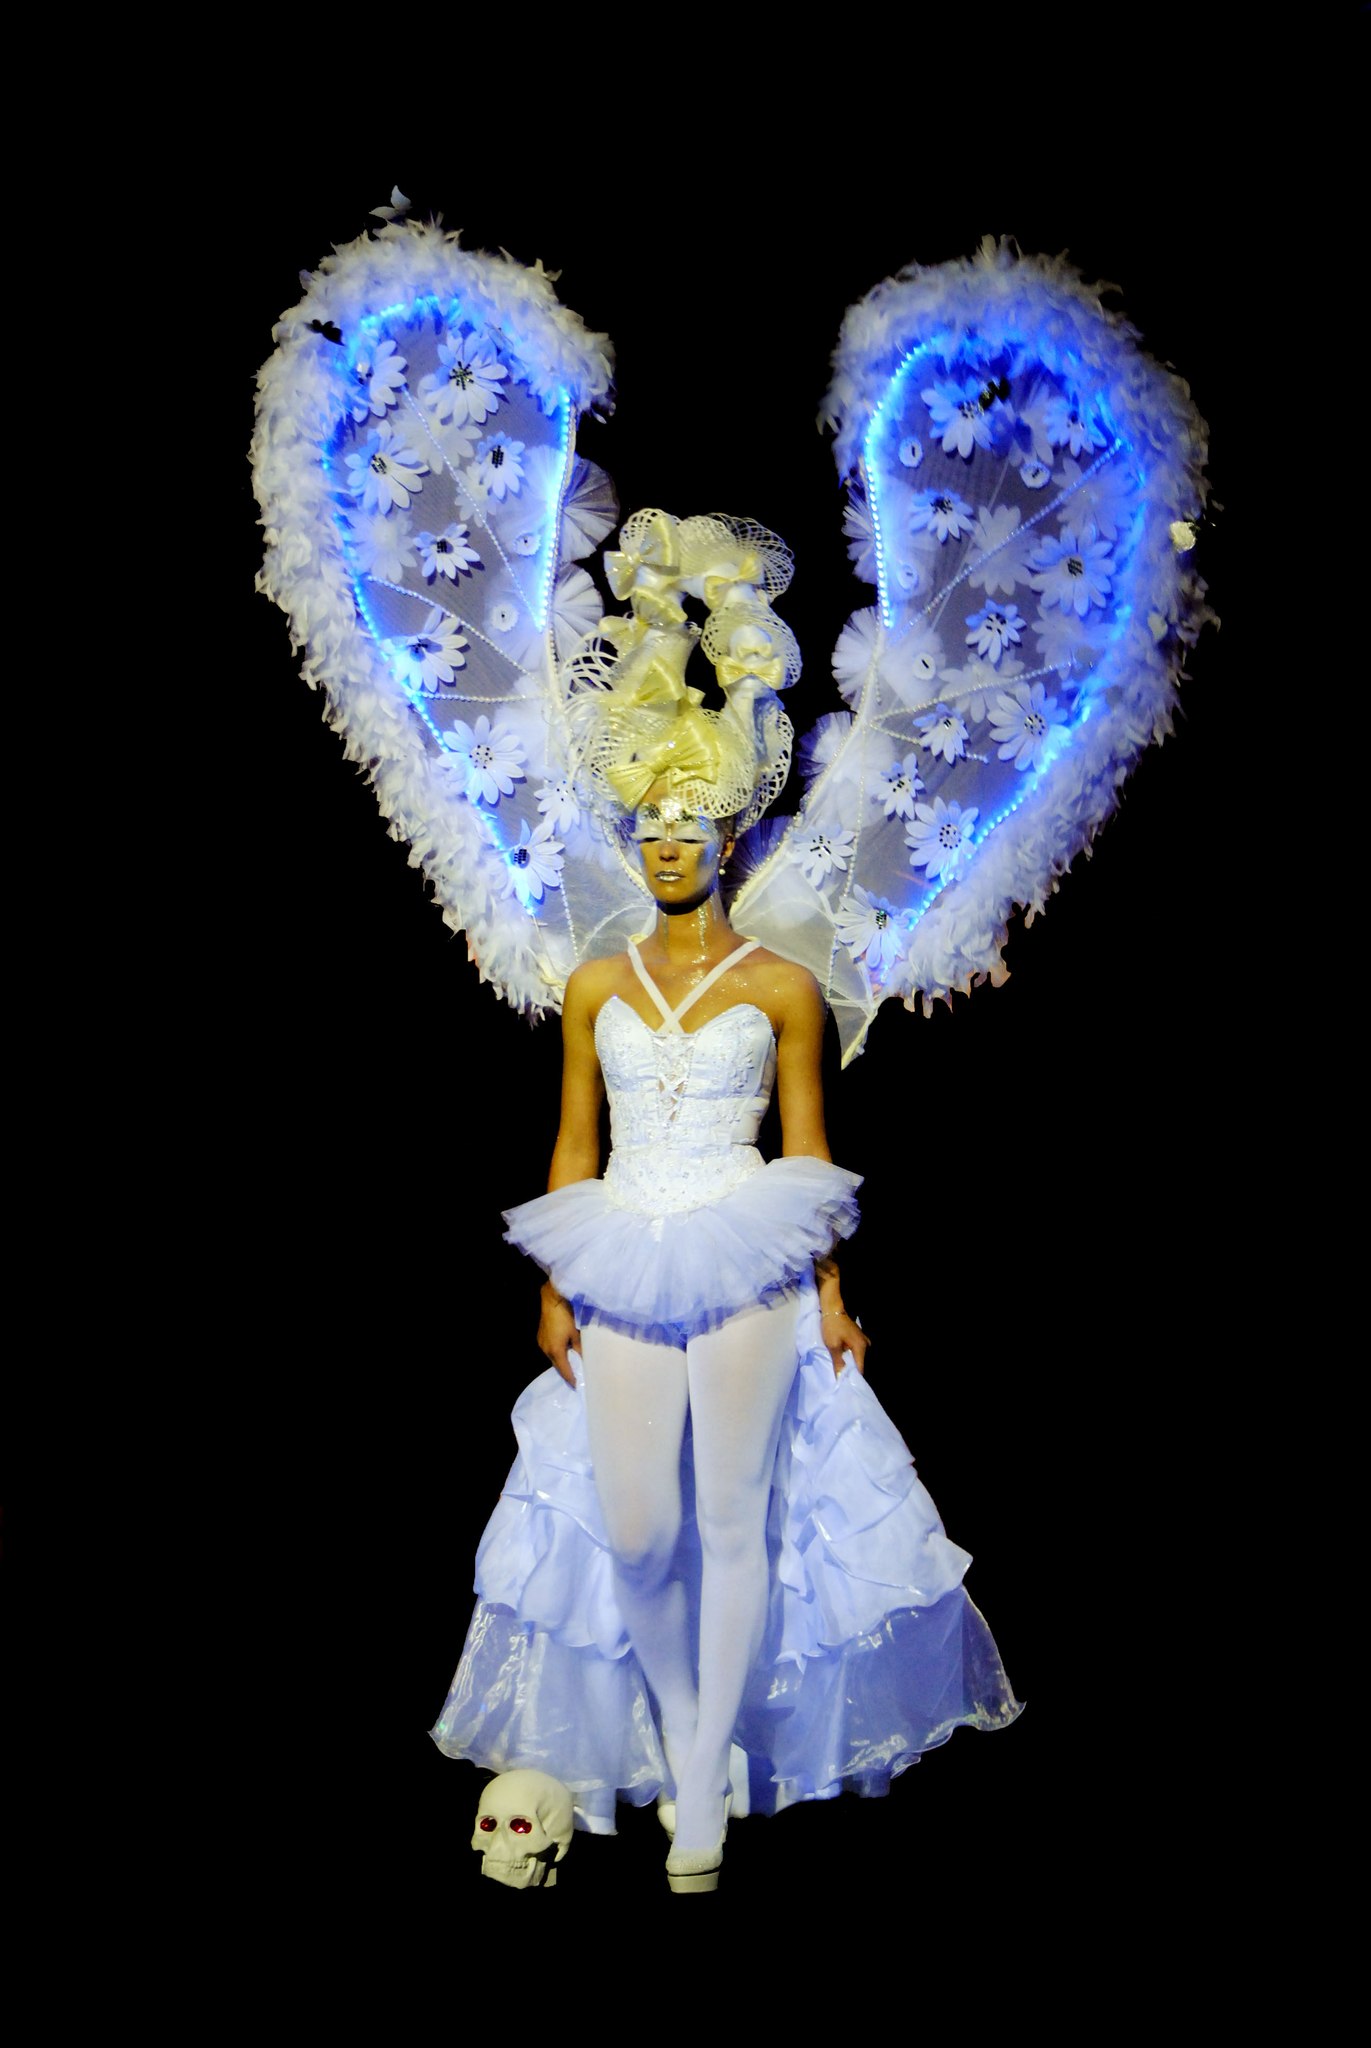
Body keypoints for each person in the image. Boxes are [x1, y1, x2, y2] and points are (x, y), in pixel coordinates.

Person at [430, 514, 1021, 1892]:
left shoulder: (781, 985)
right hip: (624, 1243)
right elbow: (571, 1140)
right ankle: (693, 1734)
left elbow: (811, 1146)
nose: (666, 843)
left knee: (737, 1514)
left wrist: (832, 1293)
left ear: (730, 830)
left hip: (748, 1246)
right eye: (648, 825)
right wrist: (552, 1284)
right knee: (641, 1528)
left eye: (688, 824)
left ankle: (699, 1787)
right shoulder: (595, 982)